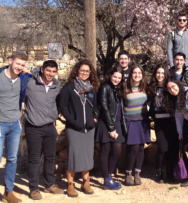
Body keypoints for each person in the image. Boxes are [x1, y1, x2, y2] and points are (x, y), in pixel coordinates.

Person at [60, 59, 99, 197]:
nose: (84, 73)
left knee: (87, 155)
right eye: (82, 70)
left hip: (89, 128)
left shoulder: (92, 87)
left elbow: (95, 105)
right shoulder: (69, 87)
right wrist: (71, 120)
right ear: (77, 71)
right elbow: (62, 106)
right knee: (73, 156)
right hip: (74, 128)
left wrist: (94, 117)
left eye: (87, 71)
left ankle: (85, 182)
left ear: (91, 73)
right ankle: (70, 184)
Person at [24, 60, 63, 200]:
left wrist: (55, 115)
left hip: (50, 127)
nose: (50, 74)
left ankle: (49, 184)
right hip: (33, 127)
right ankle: (34, 188)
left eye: (53, 71)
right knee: (34, 159)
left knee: (50, 157)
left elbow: (57, 102)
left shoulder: (56, 85)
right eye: (48, 71)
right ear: (42, 69)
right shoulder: (29, 83)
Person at [0, 51, 30, 203]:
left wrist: (27, 72)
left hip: (15, 124)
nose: (19, 67)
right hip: (0, 124)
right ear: (10, 60)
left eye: (22, 65)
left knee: (12, 159)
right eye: (17, 63)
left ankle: (8, 192)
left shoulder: (23, 78)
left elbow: (40, 76)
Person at [147, 64, 179, 183]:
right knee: (162, 148)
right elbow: (148, 105)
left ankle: (170, 172)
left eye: (162, 73)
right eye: (158, 73)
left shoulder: (169, 87)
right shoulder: (151, 88)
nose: (160, 75)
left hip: (171, 122)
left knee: (172, 148)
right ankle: (159, 172)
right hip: (159, 122)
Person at [97, 66, 126, 190]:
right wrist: (111, 128)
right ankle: (107, 179)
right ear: (110, 75)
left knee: (117, 150)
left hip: (117, 123)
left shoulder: (117, 88)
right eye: (115, 76)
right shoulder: (104, 88)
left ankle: (109, 175)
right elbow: (105, 108)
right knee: (105, 150)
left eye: (119, 77)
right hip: (106, 123)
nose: (117, 79)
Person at [123, 64, 150, 186]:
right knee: (132, 148)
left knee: (140, 148)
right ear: (131, 74)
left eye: (139, 73)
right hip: (130, 121)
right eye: (135, 72)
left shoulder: (146, 88)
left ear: (142, 75)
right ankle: (128, 172)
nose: (137, 75)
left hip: (142, 121)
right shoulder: (124, 87)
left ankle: (137, 172)